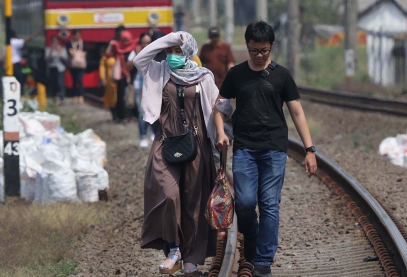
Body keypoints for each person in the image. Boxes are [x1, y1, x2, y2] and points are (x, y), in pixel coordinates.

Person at [214, 21, 317, 277]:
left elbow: (296, 112)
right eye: (254, 50)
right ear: (247, 47)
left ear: (271, 47)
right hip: (245, 148)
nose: (259, 56)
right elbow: (220, 106)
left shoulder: (282, 75)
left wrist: (309, 148)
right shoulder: (236, 74)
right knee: (246, 203)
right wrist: (219, 133)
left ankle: (262, 261)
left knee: (270, 203)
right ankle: (253, 236)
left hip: (274, 147)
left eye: (264, 50)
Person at [134, 31, 233, 276]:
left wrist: (220, 132)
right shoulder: (158, 71)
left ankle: (190, 262)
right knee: (168, 194)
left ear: (189, 52)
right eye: (169, 51)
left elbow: (221, 106)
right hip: (166, 142)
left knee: (194, 203)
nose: (172, 56)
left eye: (178, 51)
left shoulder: (204, 77)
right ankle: (174, 249)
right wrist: (169, 39)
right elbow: (139, 59)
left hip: (197, 144)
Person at [127, 32, 153, 147]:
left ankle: (153, 132)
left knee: (153, 110)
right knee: (142, 111)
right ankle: (143, 135)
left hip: (153, 86)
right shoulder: (135, 52)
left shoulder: (155, 52)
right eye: (144, 43)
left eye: (148, 43)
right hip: (140, 85)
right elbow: (128, 67)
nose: (146, 45)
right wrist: (137, 56)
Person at [107, 30, 137, 122]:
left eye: (127, 40)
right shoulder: (117, 47)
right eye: (123, 40)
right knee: (121, 96)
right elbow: (108, 54)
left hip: (133, 75)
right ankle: (122, 116)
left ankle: (132, 115)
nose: (125, 42)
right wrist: (110, 44)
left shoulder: (135, 47)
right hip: (121, 76)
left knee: (132, 96)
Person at [45, 35, 68, 105]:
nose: (55, 43)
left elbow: (65, 58)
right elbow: (47, 58)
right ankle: (53, 97)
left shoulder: (63, 49)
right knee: (53, 83)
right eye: (53, 41)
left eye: (56, 41)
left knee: (60, 83)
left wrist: (59, 51)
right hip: (52, 67)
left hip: (60, 68)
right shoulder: (48, 49)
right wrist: (51, 51)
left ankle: (62, 98)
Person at [67, 29, 87, 105]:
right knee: (74, 80)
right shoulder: (69, 43)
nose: (77, 36)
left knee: (80, 80)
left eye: (78, 34)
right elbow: (69, 51)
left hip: (81, 65)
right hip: (73, 65)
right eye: (76, 34)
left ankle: (81, 96)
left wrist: (76, 54)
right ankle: (75, 95)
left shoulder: (83, 43)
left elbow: (85, 52)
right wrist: (79, 54)